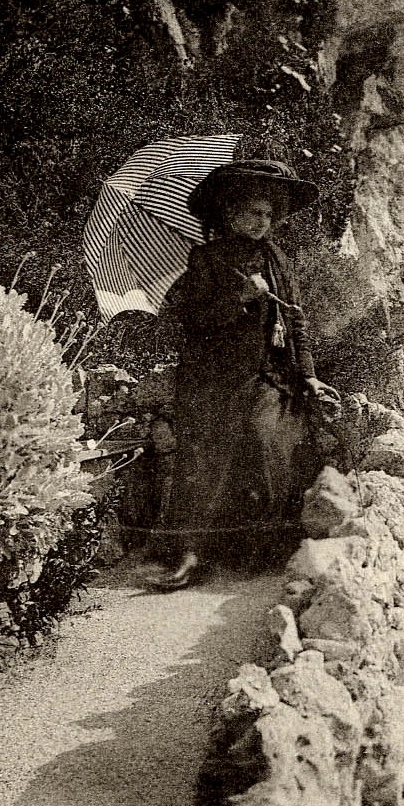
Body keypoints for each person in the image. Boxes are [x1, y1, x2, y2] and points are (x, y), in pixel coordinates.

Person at [134, 159, 340, 591]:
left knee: (266, 444)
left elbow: (296, 323)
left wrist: (310, 375)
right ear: (230, 214)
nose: (262, 222)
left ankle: (256, 550)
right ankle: (190, 554)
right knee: (206, 459)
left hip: (269, 377)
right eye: (253, 213)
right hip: (213, 379)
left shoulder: (277, 260)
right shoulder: (207, 259)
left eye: (268, 215)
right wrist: (240, 300)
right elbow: (191, 320)